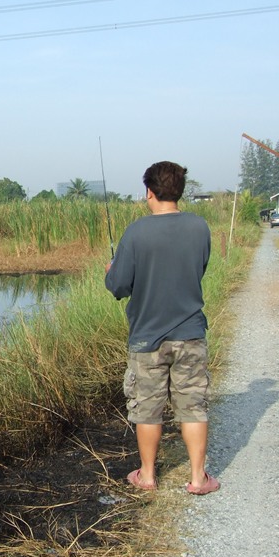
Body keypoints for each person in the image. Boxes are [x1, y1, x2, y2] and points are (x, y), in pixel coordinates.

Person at [104, 161, 219, 495]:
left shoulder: (136, 232)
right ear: (179, 191)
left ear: (149, 192)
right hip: (190, 333)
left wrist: (112, 270)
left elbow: (118, 286)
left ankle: (148, 476)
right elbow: (199, 268)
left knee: (147, 409)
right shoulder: (200, 227)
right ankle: (199, 479)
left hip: (146, 338)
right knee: (193, 405)